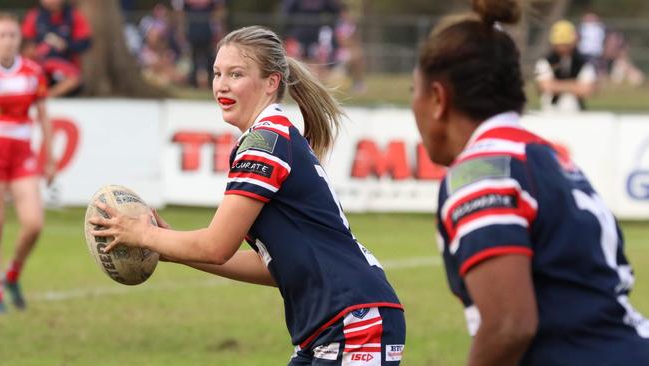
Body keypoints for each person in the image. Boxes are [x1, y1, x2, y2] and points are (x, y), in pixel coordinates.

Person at [90, 26, 405, 365]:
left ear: (271, 82)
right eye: (217, 73)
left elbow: (216, 246)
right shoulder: (271, 136)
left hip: (354, 321)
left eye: (236, 74)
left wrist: (143, 233)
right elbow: (275, 266)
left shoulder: (264, 144)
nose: (222, 84)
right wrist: (168, 246)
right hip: (334, 323)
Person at [411, 0, 649, 365]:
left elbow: (509, 326)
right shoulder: (547, 156)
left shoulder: (481, 170)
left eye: (416, 91)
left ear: (439, 99)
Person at [0, 13, 55, 313]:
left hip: (21, 155)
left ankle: (12, 275)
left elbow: (44, 116)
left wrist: (50, 158)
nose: (7, 41)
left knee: (33, 223)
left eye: (12, 35)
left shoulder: (33, 72)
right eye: (2, 35)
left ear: (20, 39)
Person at [21, 0, 92, 97]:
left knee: (73, 80)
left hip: (63, 66)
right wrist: (32, 50)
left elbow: (85, 43)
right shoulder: (34, 16)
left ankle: (46, 97)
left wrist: (66, 46)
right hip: (40, 66)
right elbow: (25, 41)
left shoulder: (73, 16)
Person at [535, 20, 596, 112]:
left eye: (565, 44)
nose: (562, 48)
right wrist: (575, 85)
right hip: (550, 113)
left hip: (577, 112)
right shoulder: (545, 61)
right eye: (560, 44)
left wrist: (556, 85)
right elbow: (545, 86)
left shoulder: (583, 62)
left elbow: (586, 89)